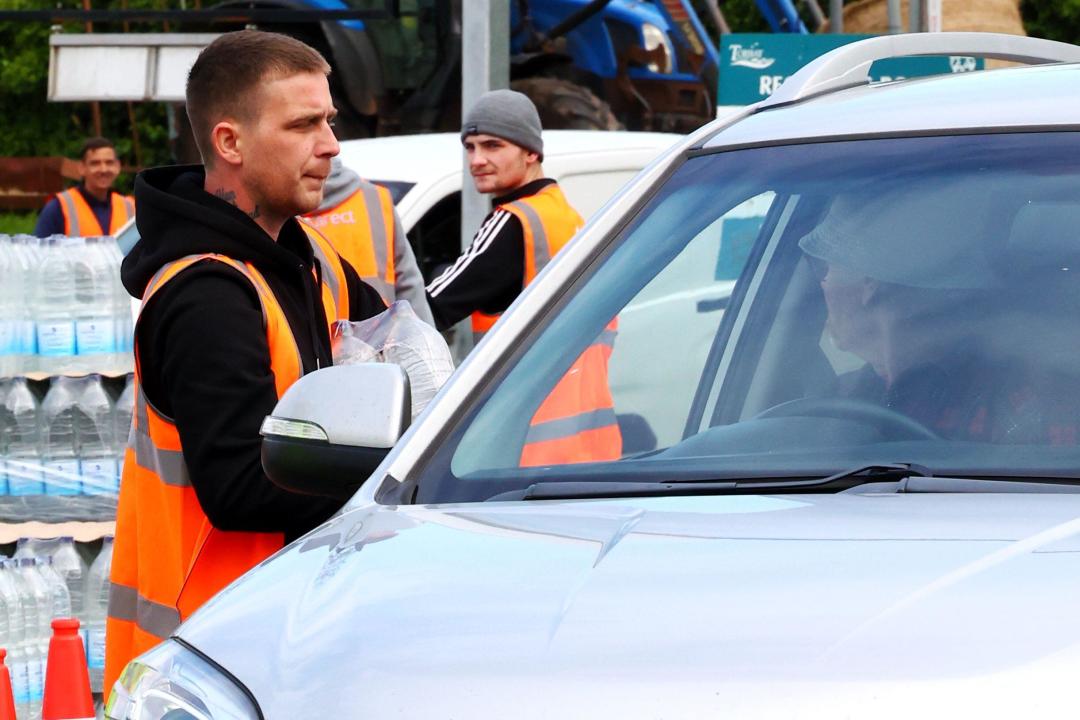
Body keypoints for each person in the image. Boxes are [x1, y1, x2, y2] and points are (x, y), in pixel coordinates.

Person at [104, 30, 387, 696]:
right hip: (208, 659)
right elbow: (237, 488)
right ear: (230, 143)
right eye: (304, 124)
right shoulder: (207, 293)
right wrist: (395, 472)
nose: (331, 145)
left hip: (281, 635)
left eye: (329, 121)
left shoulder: (306, 257)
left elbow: (399, 341)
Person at [426, 89, 621, 465]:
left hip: (521, 453)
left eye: (492, 145)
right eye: (470, 147)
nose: (477, 160)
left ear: (531, 151)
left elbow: (432, 306)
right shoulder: (568, 218)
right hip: (592, 444)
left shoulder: (513, 222)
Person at [799, 187, 1044, 442]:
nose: (823, 284)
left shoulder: (1013, 402)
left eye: (825, 269)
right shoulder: (844, 398)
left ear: (868, 282)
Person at [303, 157, 434, 325]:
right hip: (380, 341)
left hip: (312, 345)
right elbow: (409, 287)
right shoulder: (375, 198)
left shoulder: (276, 209)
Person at [34, 136, 135, 237]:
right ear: (82, 168)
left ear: (117, 167)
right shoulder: (58, 207)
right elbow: (39, 250)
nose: (103, 169)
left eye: (109, 163)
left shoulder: (131, 208)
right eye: (95, 163)